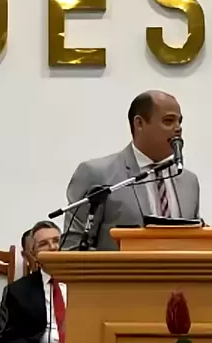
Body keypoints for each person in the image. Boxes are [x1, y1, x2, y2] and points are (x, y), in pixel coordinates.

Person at [63, 90, 201, 250]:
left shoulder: (188, 181)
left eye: (179, 122)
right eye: (168, 121)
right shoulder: (98, 174)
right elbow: (73, 248)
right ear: (139, 123)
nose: (178, 128)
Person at [0, 220, 66, 343]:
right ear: (33, 255)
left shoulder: (85, 284)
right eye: (44, 244)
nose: (53, 247)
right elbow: (7, 338)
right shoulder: (18, 291)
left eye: (56, 241)